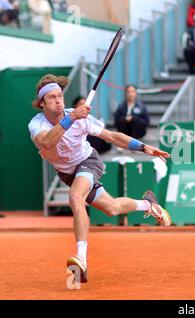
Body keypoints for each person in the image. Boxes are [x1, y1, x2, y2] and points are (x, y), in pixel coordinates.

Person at [28, 75, 171, 283]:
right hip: (67, 173)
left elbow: (113, 137)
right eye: (52, 97)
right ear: (42, 103)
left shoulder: (79, 119)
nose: (59, 100)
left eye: (60, 96)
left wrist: (144, 147)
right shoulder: (37, 125)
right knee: (112, 208)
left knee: (76, 198)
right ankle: (148, 205)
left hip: (88, 161)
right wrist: (71, 118)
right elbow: (47, 142)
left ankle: (81, 259)